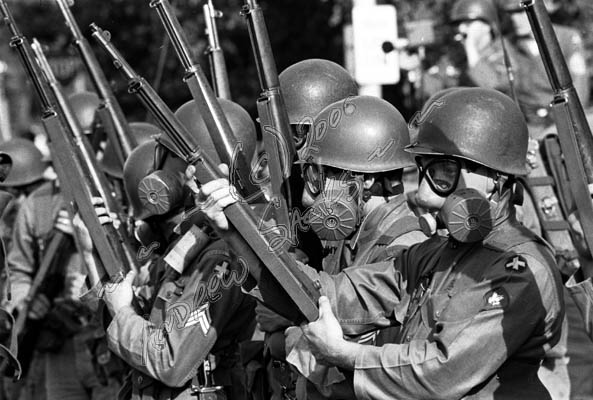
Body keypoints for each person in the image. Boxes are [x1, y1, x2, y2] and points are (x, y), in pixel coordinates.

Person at [197, 87, 565, 399]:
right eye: (426, 169)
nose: (422, 193)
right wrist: (239, 234)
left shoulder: (520, 268)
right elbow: (332, 295)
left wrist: (346, 355)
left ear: (497, 181)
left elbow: (443, 370)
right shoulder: (435, 253)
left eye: (444, 171)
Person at [83, 99, 259, 400]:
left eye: (165, 156)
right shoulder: (190, 243)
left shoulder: (221, 255)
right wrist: (92, 254)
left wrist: (122, 309)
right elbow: (146, 328)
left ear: (192, 170)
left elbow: (171, 362)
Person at [258, 95, 426, 399]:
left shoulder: (404, 252)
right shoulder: (353, 241)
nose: (310, 197)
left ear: (367, 182)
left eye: (318, 177)